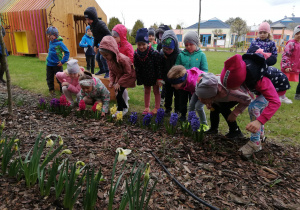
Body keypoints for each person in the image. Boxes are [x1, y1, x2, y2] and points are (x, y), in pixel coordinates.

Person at [220, 53, 290, 159]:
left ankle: (255, 143)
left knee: (254, 107)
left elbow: (275, 102)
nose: (229, 89)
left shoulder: (259, 80)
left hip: (277, 87)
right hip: (263, 87)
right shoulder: (246, 74)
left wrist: (259, 121)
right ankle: (260, 136)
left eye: (231, 87)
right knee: (257, 107)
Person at [196, 73, 251, 138]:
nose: (201, 101)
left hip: (237, 93)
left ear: (211, 96)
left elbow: (247, 100)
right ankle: (213, 129)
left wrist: (235, 113)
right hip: (220, 94)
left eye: (204, 100)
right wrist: (209, 102)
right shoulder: (210, 89)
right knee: (214, 107)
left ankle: (235, 131)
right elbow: (209, 96)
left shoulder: (231, 93)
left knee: (223, 108)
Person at [175, 31, 208, 121]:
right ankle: (182, 115)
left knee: (192, 101)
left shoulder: (201, 55)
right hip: (183, 84)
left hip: (195, 85)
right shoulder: (181, 55)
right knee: (182, 100)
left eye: (191, 44)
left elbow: (205, 70)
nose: (188, 47)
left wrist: (200, 80)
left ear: (196, 44)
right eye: (186, 45)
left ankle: (192, 116)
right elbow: (176, 68)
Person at [99, 36, 136, 116]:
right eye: (103, 55)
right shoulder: (109, 59)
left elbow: (128, 72)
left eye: (106, 55)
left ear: (112, 51)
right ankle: (123, 107)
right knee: (117, 93)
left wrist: (119, 83)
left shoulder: (123, 59)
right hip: (119, 77)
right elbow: (111, 71)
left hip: (127, 77)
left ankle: (122, 109)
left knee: (118, 93)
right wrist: (112, 81)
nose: (105, 57)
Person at [167, 65, 208, 130]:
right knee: (191, 105)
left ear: (181, 81)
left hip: (206, 89)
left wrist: (205, 100)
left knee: (198, 106)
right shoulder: (184, 80)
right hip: (197, 90)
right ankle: (191, 122)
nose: (172, 85)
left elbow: (199, 89)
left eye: (174, 83)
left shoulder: (193, 82)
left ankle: (204, 125)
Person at [134, 28, 162, 115]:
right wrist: (138, 78)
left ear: (147, 43)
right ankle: (146, 107)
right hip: (145, 76)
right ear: (136, 44)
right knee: (146, 90)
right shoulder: (136, 54)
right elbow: (137, 67)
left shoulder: (154, 53)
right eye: (139, 45)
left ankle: (157, 107)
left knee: (156, 91)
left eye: (143, 44)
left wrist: (159, 78)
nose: (141, 47)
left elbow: (159, 66)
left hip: (155, 75)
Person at [84, 7, 111, 78]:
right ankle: (102, 69)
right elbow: (95, 37)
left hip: (107, 44)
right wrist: (95, 45)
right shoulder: (92, 26)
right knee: (98, 58)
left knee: (103, 57)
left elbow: (109, 35)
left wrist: (103, 43)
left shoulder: (101, 24)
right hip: (101, 45)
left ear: (93, 17)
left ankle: (108, 72)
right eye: (87, 19)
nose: (88, 21)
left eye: (89, 19)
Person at [112, 24, 134, 109]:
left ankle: (124, 106)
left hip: (126, 71)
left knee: (120, 89)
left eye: (115, 37)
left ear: (121, 36)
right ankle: (124, 101)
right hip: (119, 71)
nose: (114, 39)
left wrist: (126, 65)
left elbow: (131, 58)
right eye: (113, 37)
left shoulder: (128, 46)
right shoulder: (116, 46)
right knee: (119, 89)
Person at [160, 30, 181, 115]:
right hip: (167, 79)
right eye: (165, 49)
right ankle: (167, 109)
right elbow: (161, 67)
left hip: (176, 79)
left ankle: (177, 110)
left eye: (170, 49)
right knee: (168, 95)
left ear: (174, 46)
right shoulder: (162, 54)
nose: (167, 51)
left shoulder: (178, 54)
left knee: (178, 96)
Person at [46, 26, 70, 96]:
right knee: (49, 78)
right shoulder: (51, 42)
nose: (49, 37)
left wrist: (62, 61)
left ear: (55, 35)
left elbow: (67, 52)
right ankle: (51, 90)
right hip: (49, 64)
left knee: (60, 78)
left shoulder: (60, 43)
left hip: (57, 65)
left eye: (51, 35)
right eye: (48, 35)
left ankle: (62, 91)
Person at [281, 25, 300, 101]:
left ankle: (297, 95)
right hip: (288, 67)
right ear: (294, 34)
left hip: (296, 67)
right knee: (284, 81)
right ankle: (281, 95)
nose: (299, 35)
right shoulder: (291, 43)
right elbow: (286, 55)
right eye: (297, 33)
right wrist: (286, 66)